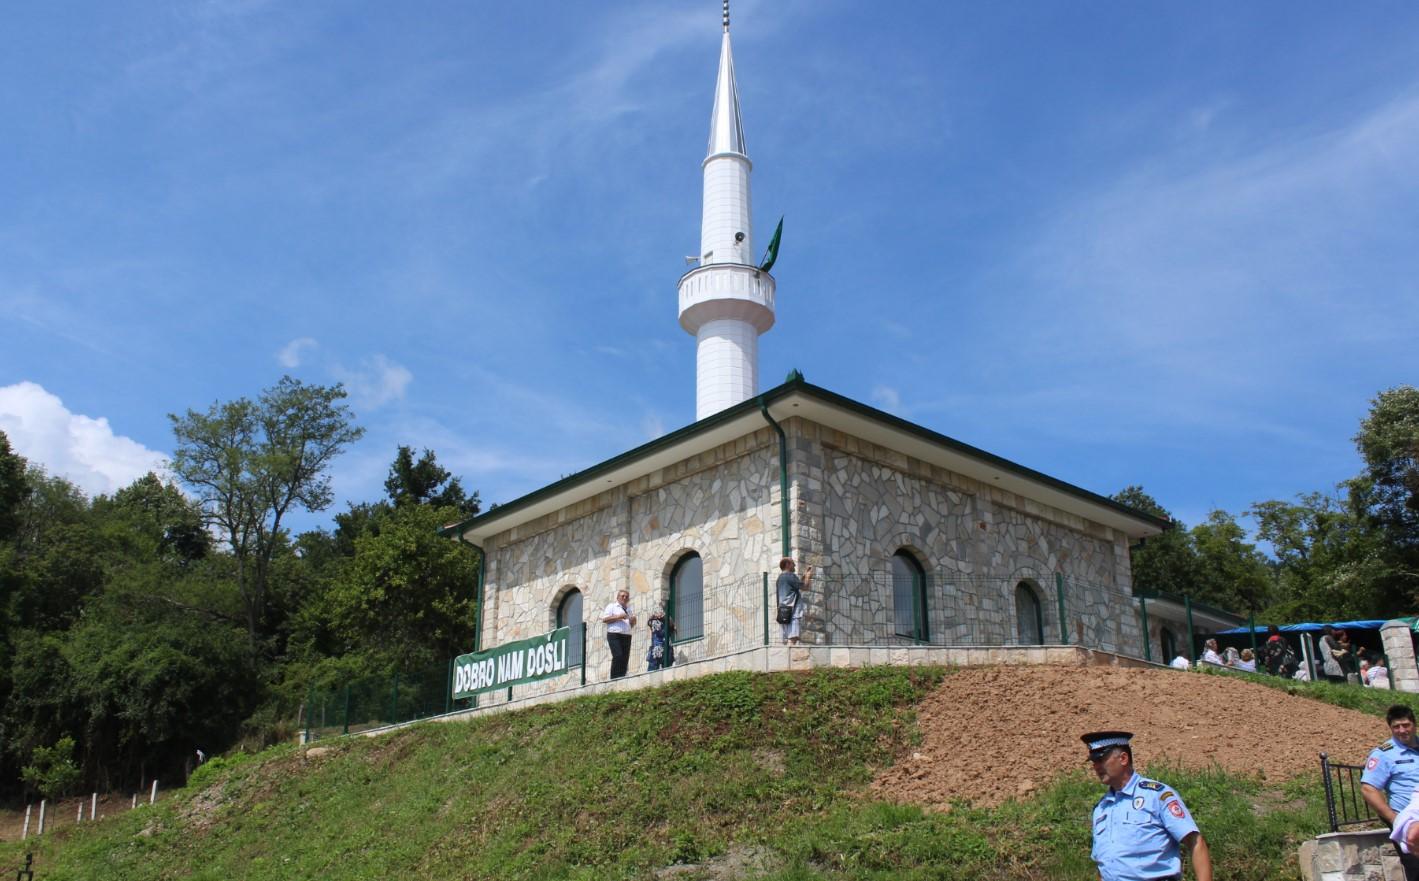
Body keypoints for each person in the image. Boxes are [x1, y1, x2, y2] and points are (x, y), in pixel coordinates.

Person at [1083, 730, 1213, 881]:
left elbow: (1195, 842)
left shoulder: (1156, 795)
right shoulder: (1101, 808)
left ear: (1123, 758)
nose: (1096, 766)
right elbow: (1103, 865)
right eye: (1094, 762)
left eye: (1101, 760)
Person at [1362, 705, 1419, 880]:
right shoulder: (1384, 754)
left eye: (1406, 725)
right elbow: (1368, 789)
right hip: (1408, 820)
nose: (1402, 730)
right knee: (1416, 868)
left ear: (1414, 724)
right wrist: (1395, 819)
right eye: (1396, 726)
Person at [775, 556, 813, 645]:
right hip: (793, 611)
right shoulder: (790, 576)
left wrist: (803, 577)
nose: (795, 565)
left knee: (784, 639)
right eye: (793, 563)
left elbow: (794, 587)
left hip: (782, 611)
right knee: (793, 637)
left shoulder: (780, 578)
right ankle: (792, 656)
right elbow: (805, 587)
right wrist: (808, 577)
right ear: (787, 564)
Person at [601, 589, 637, 679]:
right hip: (614, 634)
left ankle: (622, 677)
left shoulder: (629, 609)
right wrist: (618, 617)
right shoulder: (612, 606)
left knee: (625, 658)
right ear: (618, 597)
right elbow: (605, 619)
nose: (624, 598)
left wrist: (633, 622)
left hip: (627, 635)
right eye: (622, 596)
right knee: (618, 655)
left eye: (626, 596)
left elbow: (630, 625)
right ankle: (614, 678)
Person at [645, 607, 675, 672]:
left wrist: (665, 617)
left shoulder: (667, 620)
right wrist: (654, 617)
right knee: (652, 671)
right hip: (656, 648)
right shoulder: (653, 620)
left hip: (666, 647)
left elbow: (673, 627)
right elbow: (649, 622)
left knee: (667, 671)